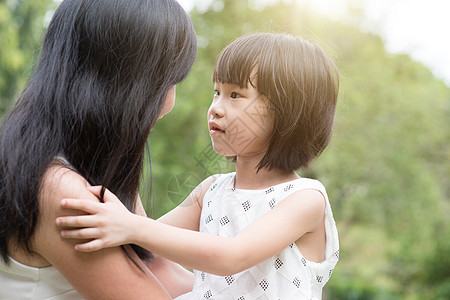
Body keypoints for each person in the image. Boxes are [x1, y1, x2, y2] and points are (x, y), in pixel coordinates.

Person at [56, 33, 340, 299]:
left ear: (288, 112)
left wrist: (130, 226)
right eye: (217, 92)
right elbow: (143, 244)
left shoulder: (304, 199)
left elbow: (231, 256)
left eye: (235, 95)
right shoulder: (210, 191)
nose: (215, 107)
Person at [0, 0, 197, 299]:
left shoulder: (89, 168)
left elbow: (160, 269)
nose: (169, 104)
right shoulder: (62, 192)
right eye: (166, 82)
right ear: (124, 85)